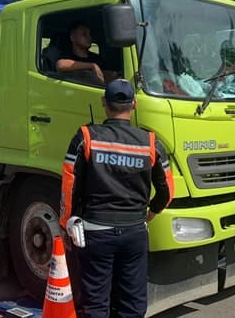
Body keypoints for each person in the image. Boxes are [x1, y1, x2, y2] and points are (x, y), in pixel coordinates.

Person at [59, 79, 174, 317]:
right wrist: (151, 212)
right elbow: (167, 191)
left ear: (104, 103)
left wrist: (65, 224)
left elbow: (69, 186)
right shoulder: (150, 142)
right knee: (132, 304)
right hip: (134, 231)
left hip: (95, 231)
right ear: (133, 105)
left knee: (96, 303)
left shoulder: (86, 137)